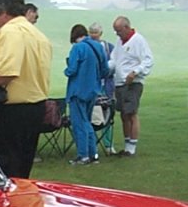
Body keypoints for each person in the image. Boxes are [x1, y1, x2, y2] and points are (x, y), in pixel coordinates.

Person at [0, 0, 53, 178]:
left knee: (1, 171)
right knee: (21, 169)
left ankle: (5, 206)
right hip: (34, 109)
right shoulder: (38, 35)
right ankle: (20, 204)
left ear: (3, 13)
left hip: (8, 112)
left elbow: (7, 72)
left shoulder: (10, 33)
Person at [108, 16, 154, 156]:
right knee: (123, 114)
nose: (117, 34)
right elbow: (114, 60)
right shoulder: (119, 42)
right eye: (116, 31)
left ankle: (132, 147)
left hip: (133, 83)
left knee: (131, 113)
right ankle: (127, 144)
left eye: (119, 30)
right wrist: (105, 69)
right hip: (120, 82)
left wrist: (135, 72)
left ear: (127, 27)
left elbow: (148, 60)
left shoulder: (138, 40)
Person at [64, 24, 109, 165]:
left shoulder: (77, 48)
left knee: (79, 123)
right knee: (87, 122)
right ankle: (93, 154)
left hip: (77, 90)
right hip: (93, 90)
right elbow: (105, 70)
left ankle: (83, 155)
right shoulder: (98, 47)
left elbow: (71, 70)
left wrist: (66, 71)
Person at [89, 22, 116, 154]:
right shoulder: (86, 47)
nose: (94, 35)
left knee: (107, 115)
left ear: (101, 33)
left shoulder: (108, 47)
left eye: (96, 32)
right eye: (92, 32)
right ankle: (92, 145)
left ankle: (108, 145)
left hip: (106, 86)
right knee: (92, 116)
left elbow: (114, 64)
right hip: (92, 87)